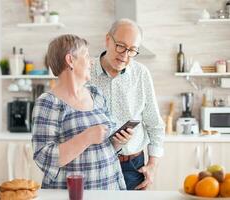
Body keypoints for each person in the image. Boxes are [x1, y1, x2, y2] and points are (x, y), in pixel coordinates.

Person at [31, 34, 132, 190]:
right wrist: (86, 137)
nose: (92, 61)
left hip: (110, 187)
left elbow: (107, 143)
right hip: (73, 193)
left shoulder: (96, 94)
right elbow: (43, 157)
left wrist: (119, 140)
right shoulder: (48, 102)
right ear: (70, 60)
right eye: (86, 55)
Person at [90, 18, 165, 190]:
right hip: (94, 164)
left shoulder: (141, 74)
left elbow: (154, 124)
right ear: (108, 40)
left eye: (132, 50)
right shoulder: (86, 71)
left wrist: (152, 165)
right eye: (121, 46)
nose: (124, 55)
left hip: (132, 167)